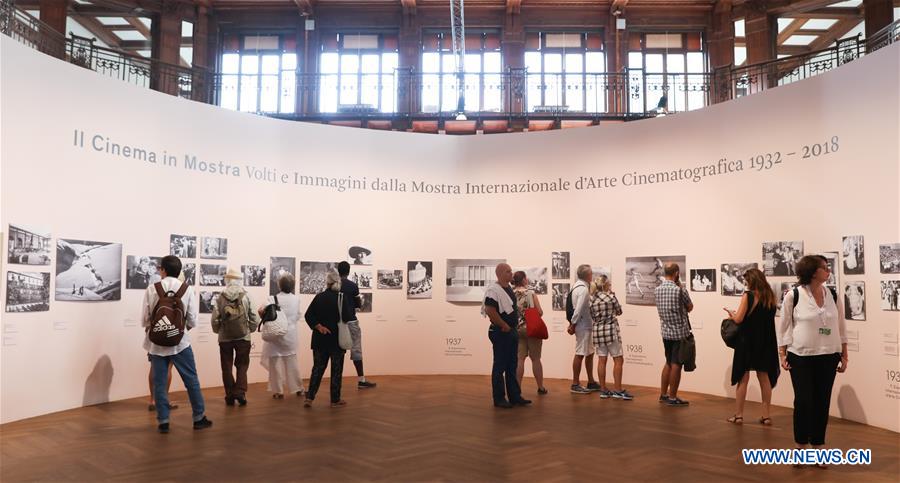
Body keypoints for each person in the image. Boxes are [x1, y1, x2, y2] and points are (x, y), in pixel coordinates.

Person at [778, 255, 848, 465]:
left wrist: (844, 353)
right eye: (824, 268)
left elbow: (841, 326)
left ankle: (818, 445)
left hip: (829, 355)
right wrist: (782, 353)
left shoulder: (833, 294)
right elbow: (784, 327)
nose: (828, 271)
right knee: (803, 401)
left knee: (822, 401)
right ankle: (800, 445)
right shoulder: (794, 295)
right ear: (813, 271)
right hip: (801, 356)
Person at [141, 255, 211, 433]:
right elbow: (193, 320)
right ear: (179, 271)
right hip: (180, 343)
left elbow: (145, 319)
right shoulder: (186, 289)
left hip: (157, 344)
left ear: (163, 270)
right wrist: (177, 330)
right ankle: (198, 418)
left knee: (159, 382)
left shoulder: (152, 288)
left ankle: (163, 421)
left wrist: (160, 329)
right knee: (191, 380)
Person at [723, 268, 779, 425]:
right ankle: (766, 416)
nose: (746, 283)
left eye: (746, 281)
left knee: (743, 377)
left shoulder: (748, 296)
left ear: (751, 281)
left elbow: (739, 319)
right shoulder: (770, 297)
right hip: (765, 342)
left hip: (746, 341)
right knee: (764, 378)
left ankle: (739, 415)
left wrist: (732, 314)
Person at [482, 263, 531, 408]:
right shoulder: (493, 290)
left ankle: (515, 396)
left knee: (512, 365)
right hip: (501, 332)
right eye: (508, 271)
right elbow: (490, 310)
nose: (511, 274)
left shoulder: (508, 288)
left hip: (511, 331)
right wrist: (503, 325)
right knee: (500, 365)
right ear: (500, 274)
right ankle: (499, 398)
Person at [304, 270, 353, 408]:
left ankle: (309, 398)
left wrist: (319, 326)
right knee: (336, 371)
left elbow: (308, 315)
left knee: (317, 369)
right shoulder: (341, 298)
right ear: (338, 283)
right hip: (337, 340)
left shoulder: (319, 297)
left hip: (320, 339)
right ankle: (335, 400)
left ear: (327, 283)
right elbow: (347, 317)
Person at [211, 268, 260, 406]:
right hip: (243, 337)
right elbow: (254, 317)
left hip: (225, 338)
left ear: (227, 280)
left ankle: (230, 395)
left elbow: (215, 319)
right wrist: (249, 329)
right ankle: (240, 393)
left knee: (226, 366)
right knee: (242, 365)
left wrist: (218, 331)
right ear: (239, 280)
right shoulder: (246, 295)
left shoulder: (220, 297)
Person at [258, 274, 306, 399]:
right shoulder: (296, 300)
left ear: (279, 285)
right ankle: (298, 388)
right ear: (292, 286)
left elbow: (261, 312)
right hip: (290, 335)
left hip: (275, 334)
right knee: (292, 363)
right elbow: (297, 316)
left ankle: (278, 391)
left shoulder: (271, 299)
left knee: (275, 364)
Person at [655, 262, 693, 406]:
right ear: (676, 273)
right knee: (676, 364)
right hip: (679, 334)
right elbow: (690, 307)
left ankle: (663, 394)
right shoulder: (680, 290)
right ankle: (672, 397)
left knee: (668, 362)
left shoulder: (657, 290)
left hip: (665, 332)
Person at [590, 275, 631, 400]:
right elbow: (619, 311)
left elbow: (591, 315)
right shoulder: (611, 297)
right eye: (609, 283)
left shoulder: (591, 299)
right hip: (611, 332)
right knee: (618, 360)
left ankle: (603, 389)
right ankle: (617, 390)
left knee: (601, 361)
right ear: (605, 285)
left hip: (598, 333)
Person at [337, 261, 377, 389]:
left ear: (338, 271)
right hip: (351, 321)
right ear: (348, 271)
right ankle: (361, 380)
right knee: (356, 350)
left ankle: (337, 381)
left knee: (338, 351)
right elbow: (358, 305)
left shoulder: (334, 286)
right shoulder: (353, 286)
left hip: (338, 323)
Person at [512, 271, 546, 395]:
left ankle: (517, 389)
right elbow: (540, 312)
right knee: (535, 359)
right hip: (531, 329)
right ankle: (540, 387)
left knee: (520, 359)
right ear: (524, 280)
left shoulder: (511, 293)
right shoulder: (531, 293)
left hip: (517, 329)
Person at [568, 264, 599, 394]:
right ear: (588, 275)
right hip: (583, 325)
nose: (592, 275)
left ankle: (591, 381)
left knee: (589, 352)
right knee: (580, 353)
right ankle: (575, 383)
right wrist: (573, 324)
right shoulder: (584, 289)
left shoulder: (576, 286)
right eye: (591, 273)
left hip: (584, 325)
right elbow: (578, 309)